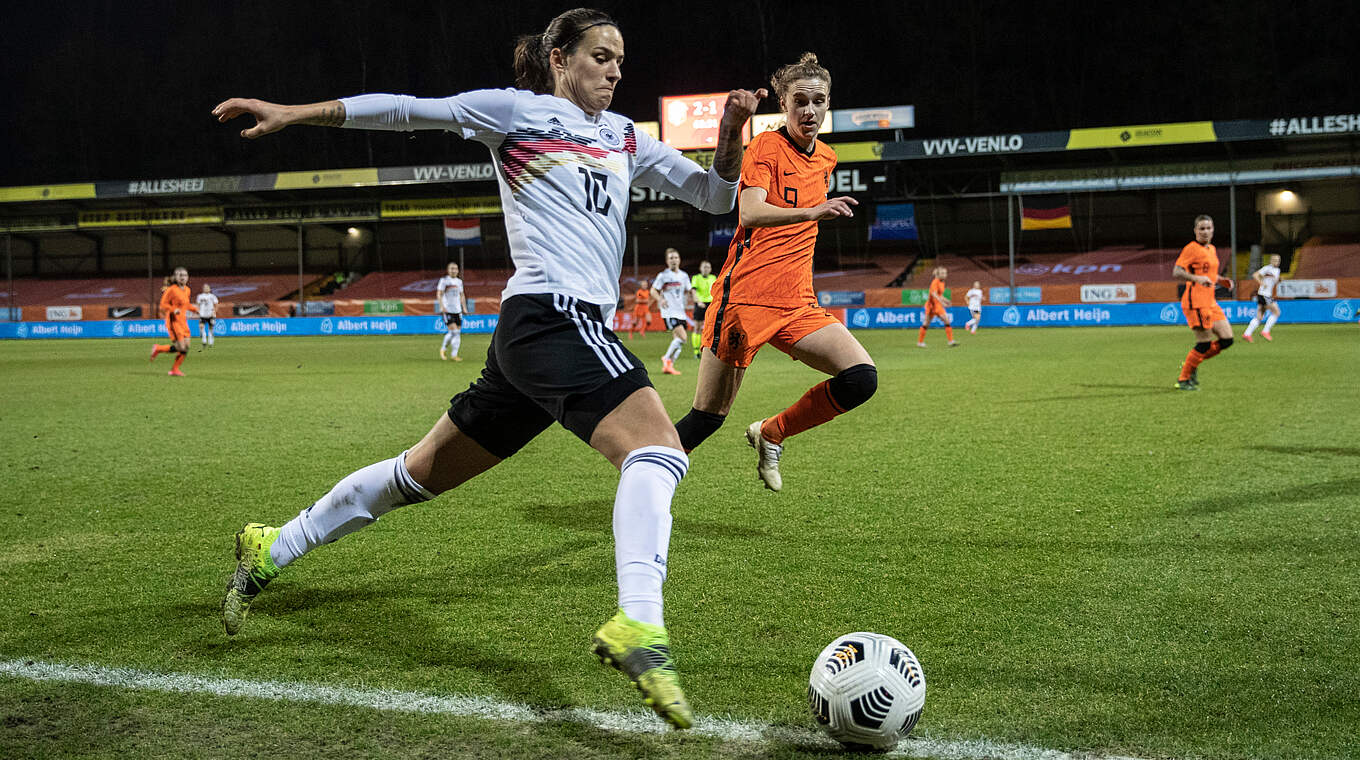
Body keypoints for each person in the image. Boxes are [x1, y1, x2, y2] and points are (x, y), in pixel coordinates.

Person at [212, 7, 763, 730]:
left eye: (621, 59)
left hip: (533, 338)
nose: (615, 68)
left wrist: (728, 136)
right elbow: (409, 111)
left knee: (418, 474)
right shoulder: (519, 113)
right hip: (551, 316)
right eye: (600, 55)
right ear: (559, 58)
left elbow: (718, 198)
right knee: (657, 451)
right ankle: (639, 622)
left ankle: (272, 545)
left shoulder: (628, 136)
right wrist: (296, 113)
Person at [672, 52, 873, 494]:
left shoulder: (827, 158)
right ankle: (640, 479)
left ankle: (772, 432)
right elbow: (749, 210)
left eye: (818, 101)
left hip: (798, 303)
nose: (809, 111)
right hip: (745, 298)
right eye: (799, 100)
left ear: (827, 104)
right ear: (783, 102)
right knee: (706, 419)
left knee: (861, 378)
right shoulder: (765, 146)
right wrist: (815, 210)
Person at [1172, 214, 1234, 390]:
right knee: (1204, 343)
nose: (1205, 231)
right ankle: (1184, 379)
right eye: (1202, 228)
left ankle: (1192, 362)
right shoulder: (1191, 248)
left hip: (1210, 301)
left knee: (1227, 340)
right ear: (1195, 231)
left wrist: (1221, 280)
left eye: (1208, 228)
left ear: (1213, 229)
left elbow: (1210, 274)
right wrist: (1196, 278)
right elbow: (1177, 271)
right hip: (1196, 301)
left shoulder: (1211, 249)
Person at [650, 248, 692, 375]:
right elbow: (653, 291)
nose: (674, 260)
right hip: (669, 312)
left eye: (676, 257)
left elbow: (688, 291)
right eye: (671, 258)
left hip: (681, 312)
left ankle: (669, 366)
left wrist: (694, 299)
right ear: (667, 261)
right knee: (683, 338)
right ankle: (667, 358)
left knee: (678, 341)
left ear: (679, 260)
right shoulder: (663, 276)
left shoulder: (684, 276)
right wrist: (660, 299)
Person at [150, 267, 196, 376]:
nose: (183, 277)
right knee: (181, 347)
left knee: (186, 347)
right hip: (173, 321)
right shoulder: (171, 289)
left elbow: (186, 305)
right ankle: (162, 353)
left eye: (185, 275)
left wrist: (196, 310)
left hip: (183, 322)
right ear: (176, 277)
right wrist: (173, 309)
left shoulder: (187, 290)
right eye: (180, 275)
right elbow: (163, 304)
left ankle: (172, 367)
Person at [1243, 253, 1282, 343]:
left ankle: (1247, 334)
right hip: (1264, 294)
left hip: (1265, 294)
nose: (1277, 262)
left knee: (1259, 316)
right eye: (1275, 260)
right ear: (1271, 261)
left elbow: (1274, 281)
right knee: (1276, 312)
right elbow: (1255, 275)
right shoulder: (1267, 268)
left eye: (1278, 260)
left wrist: (1279, 280)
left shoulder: (1277, 270)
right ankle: (1265, 331)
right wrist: (1261, 283)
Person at [917, 266, 957, 347]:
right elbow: (934, 294)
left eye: (945, 273)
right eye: (943, 273)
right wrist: (943, 302)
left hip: (937, 305)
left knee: (947, 321)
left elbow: (939, 295)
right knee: (926, 324)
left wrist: (946, 300)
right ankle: (920, 342)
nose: (945, 275)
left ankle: (951, 341)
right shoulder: (935, 282)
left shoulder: (942, 282)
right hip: (931, 306)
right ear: (938, 274)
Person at [436, 261, 468, 361]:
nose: (454, 270)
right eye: (452, 268)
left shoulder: (459, 282)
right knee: (454, 331)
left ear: (458, 270)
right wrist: (441, 306)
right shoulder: (444, 280)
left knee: (457, 332)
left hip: (457, 310)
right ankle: (443, 348)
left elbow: (462, 295)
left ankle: (454, 355)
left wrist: (464, 307)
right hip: (447, 309)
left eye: (455, 269)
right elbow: (439, 293)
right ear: (448, 270)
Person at [689, 260, 716, 358]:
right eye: (704, 267)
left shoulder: (713, 278)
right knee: (697, 328)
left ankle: (711, 349)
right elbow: (693, 291)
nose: (706, 269)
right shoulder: (696, 278)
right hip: (700, 304)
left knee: (712, 328)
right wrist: (698, 302)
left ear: (710, 269)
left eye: (708, 267)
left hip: (711, 304)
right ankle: (696, 351)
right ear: (700, 269)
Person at [195, 284, 219, 350]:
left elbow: (216, 305)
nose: (206, 289)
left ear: (209, 289)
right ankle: (204, 340)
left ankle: (210, 341)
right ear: (203, 289)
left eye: (207, 288)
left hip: (210, 314)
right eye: (205, 288)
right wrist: (198, 311)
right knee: (201, 327)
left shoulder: (212, 296)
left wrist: (214, 312)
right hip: (202, 314)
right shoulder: (200, 296)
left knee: (211, 328)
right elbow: (198, 305)